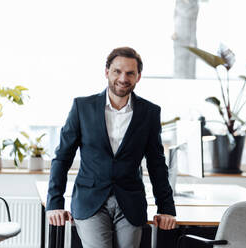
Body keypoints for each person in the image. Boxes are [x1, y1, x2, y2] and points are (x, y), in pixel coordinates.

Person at [46, 47, 176, 248]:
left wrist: (166, 208)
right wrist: (55, 203)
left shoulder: (149, 112)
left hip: (130, 203)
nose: (123, 78)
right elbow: (62, 158)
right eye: (117, 71)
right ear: (107, 72)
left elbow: (157, 163)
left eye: (130, 73)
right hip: (90, 201)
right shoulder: (82, 107)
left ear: (138, 77)